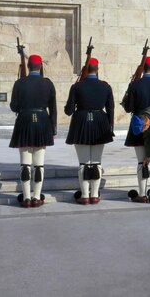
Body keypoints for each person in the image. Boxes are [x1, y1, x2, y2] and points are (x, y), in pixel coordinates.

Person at [64, 58, 115, 205]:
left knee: (84, 163)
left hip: (81, 122)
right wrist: (109, 126)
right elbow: (110, 109)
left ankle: (85, 196)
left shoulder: (77, 87)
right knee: (97, 161)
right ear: (97, 69)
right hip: (100, 122)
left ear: (86, 70)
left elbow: (68, 110)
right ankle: (95, 195)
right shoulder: (105, 87)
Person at [9, 54, 57, 208]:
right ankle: (37, 196)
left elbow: (14, 107)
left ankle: (27, 198)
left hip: (24, 120)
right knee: (39, 164)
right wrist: (53, 127)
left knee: (25, 164)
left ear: (28, 67)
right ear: (41, 66)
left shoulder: (19, 83)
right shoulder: (48, 84)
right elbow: (53, 108)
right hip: (43, 120)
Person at [121, 56, 150, 203]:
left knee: (141, 162)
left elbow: (128, 107)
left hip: (139, 124)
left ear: (143, 69)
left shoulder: (135, 85)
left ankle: (142, 194)